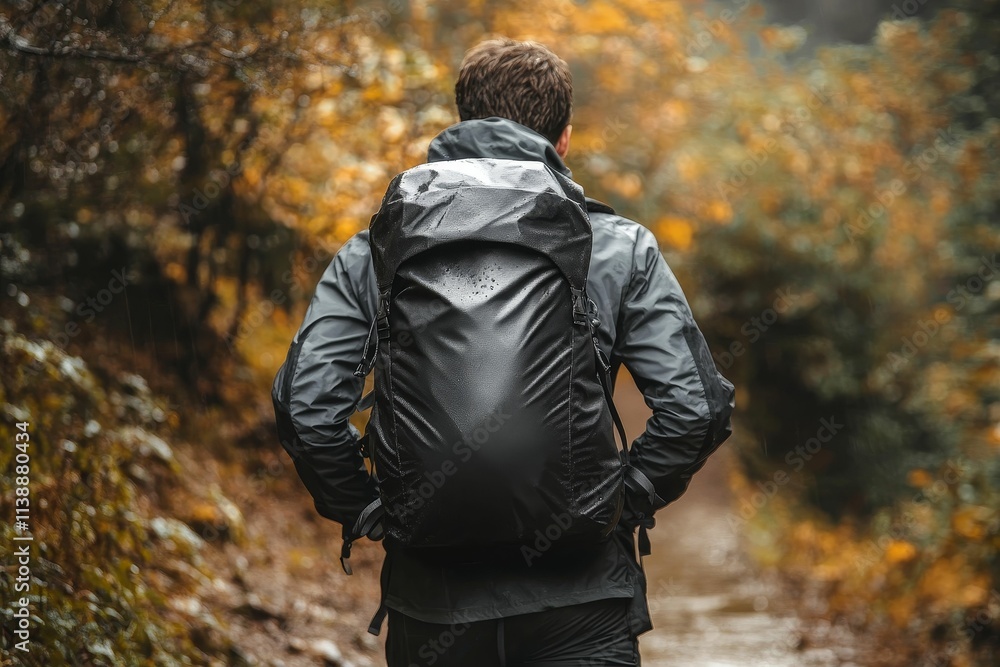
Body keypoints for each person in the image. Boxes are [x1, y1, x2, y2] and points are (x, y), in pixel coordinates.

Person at [272, 37, 735, 667]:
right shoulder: (618, 246)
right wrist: (616, 501)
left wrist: (368, 510)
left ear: (461, 122)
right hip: (581, 605)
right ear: (563, 139)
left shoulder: (375, 250)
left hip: (430, 607)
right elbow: (696, 408)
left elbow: (307, 411)